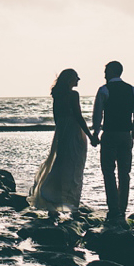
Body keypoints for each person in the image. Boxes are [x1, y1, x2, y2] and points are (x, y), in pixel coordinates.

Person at [28, 69, 99, 214]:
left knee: (60, 164)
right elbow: (78, 116)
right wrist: (90, 136)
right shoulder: (73, 95)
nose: (78, 80)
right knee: (74, 166)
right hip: (73, 131)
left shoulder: (57, 95)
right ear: (69, 79)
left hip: (61, 131)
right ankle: (71, 202)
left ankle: (53, 197)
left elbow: (56, 116)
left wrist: (60, 132)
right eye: (76, 77)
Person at [91, 61, 134, 222]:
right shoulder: (133, 90)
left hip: (110, 133)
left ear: (113, 71)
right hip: (126, 134)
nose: (104, 74)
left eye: (106, 71)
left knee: (108, 171)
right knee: (124, 173)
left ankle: (113, 208)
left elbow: (98, 114)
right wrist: (133, 134)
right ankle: (122, 207)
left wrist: (96, 132)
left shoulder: (104, 90)